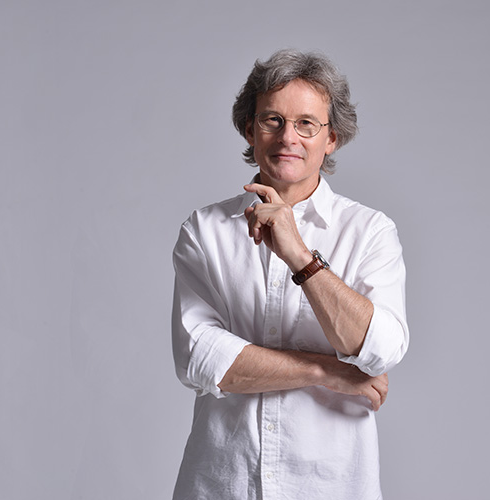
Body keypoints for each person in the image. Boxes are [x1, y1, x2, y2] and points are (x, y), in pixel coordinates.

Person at [170, 49, 410, 500]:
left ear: (331, 137)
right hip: (223, 484)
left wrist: (300, 256)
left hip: (331, 487)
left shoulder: (370, 232)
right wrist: (324, 369)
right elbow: (200, 358)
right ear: (250, 130)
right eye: (273, 120)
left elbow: (379, 351)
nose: (288, 138)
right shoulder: (205, 230)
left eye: (306, 124)